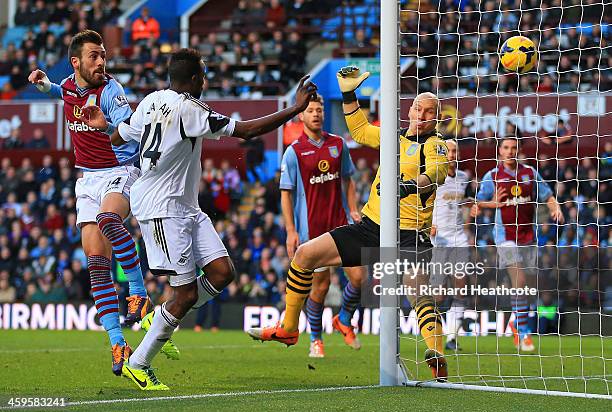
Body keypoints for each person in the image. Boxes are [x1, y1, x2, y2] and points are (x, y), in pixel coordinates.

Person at [81, 48, 318, 390]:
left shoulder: (150, 101)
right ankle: (139, 362)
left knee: (223, 272)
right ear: (193, 80)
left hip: (186, 207)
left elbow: (120, 136)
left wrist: (106, 128)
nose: (205, 81)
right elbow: (248, 131)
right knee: (186, 294)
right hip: (162, 209)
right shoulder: (191, 109)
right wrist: (295, 109)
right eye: (203, 76)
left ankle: (161, 316)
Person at [248, 66, 450, 381]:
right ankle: (289, 328)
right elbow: (359, 130)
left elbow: (435, 174)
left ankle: (436, 355)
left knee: (418, 294)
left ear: (437, 118)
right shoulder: (392, 137)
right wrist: (348, 94)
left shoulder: (435, 145)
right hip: (372, 226)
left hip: (410, 234)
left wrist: (408, 186)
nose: (422, 115)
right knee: (304, 256)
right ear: (410, 110)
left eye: (429, 112)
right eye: (418, 108)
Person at [27, 30, 171, 376]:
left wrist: (107, 126)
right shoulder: (70, 85)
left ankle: (138, 292)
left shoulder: (111, 90)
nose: (101, 62)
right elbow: (64, 92)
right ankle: (117, 342)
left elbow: (129, 132)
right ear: (76, 62)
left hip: (120, 168)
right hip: (88, 179)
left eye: (103, 55)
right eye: (94, 56)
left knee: (109, 220)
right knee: (96, 264)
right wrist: (45, 85)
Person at [279, 93, 366, 358]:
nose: (316, 114)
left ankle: (343, 319)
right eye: (311, 111)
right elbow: (286, 193)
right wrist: (291, 231)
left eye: (319, 110)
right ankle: (315, 339)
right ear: (301, 116)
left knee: (359, 277)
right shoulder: (294, 151)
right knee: (321, 285)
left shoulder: (338, 144)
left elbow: (348, 180)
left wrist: (353, 208)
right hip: (311, 230)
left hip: (341, 224)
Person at [471, 137, 564, 352]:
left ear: (519, 150)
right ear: (500, 151)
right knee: (519, 280)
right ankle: (523, 332)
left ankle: (515, 322)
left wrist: (555, 208)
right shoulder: (492, 176)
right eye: (506, 148)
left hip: (528, 236)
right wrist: (492, 202)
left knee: (527, 285)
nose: (510, 151)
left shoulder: (530, 173)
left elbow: (548, 195)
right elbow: (476, 203)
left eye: (514, 147)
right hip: (505, 236)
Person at [430, 139, 473, 351]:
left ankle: (452, 337)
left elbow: (466, 202)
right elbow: (422, 204)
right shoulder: (433, 176)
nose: (452, 154)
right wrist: (429, 225)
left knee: (461, 287)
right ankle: (434, 333)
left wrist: (471, 214)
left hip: (458, 238)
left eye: (455, 151)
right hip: (438, 239)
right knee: (438, 295)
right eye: (449, 151)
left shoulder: (464, 177)